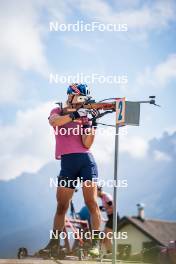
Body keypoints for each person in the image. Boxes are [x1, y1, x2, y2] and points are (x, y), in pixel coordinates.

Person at [39, 83, 101, 257]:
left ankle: (95, 245)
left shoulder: (84, 116)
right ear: (71, 96)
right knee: (61, 206)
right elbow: (54, 123)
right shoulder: (58, 110)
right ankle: (53, 244)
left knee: (91, 203)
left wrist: (92, 122)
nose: (82, 101)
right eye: (80, 97)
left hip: (85, 161)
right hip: (67, 163)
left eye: (84, 98)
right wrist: (75, 114)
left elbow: (86, 143)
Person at [97, 186, 120, 253]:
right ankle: (109, 253)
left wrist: (101, 208)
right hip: (111, 217)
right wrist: (100, 208)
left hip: (113, 217)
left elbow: (111, 204)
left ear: (99, 191)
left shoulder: (105, 195)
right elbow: (107, 207)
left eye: (95, 192)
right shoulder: (102, 197)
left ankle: (113, 254)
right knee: (104, 239)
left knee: (107, 238)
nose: (95, 194)